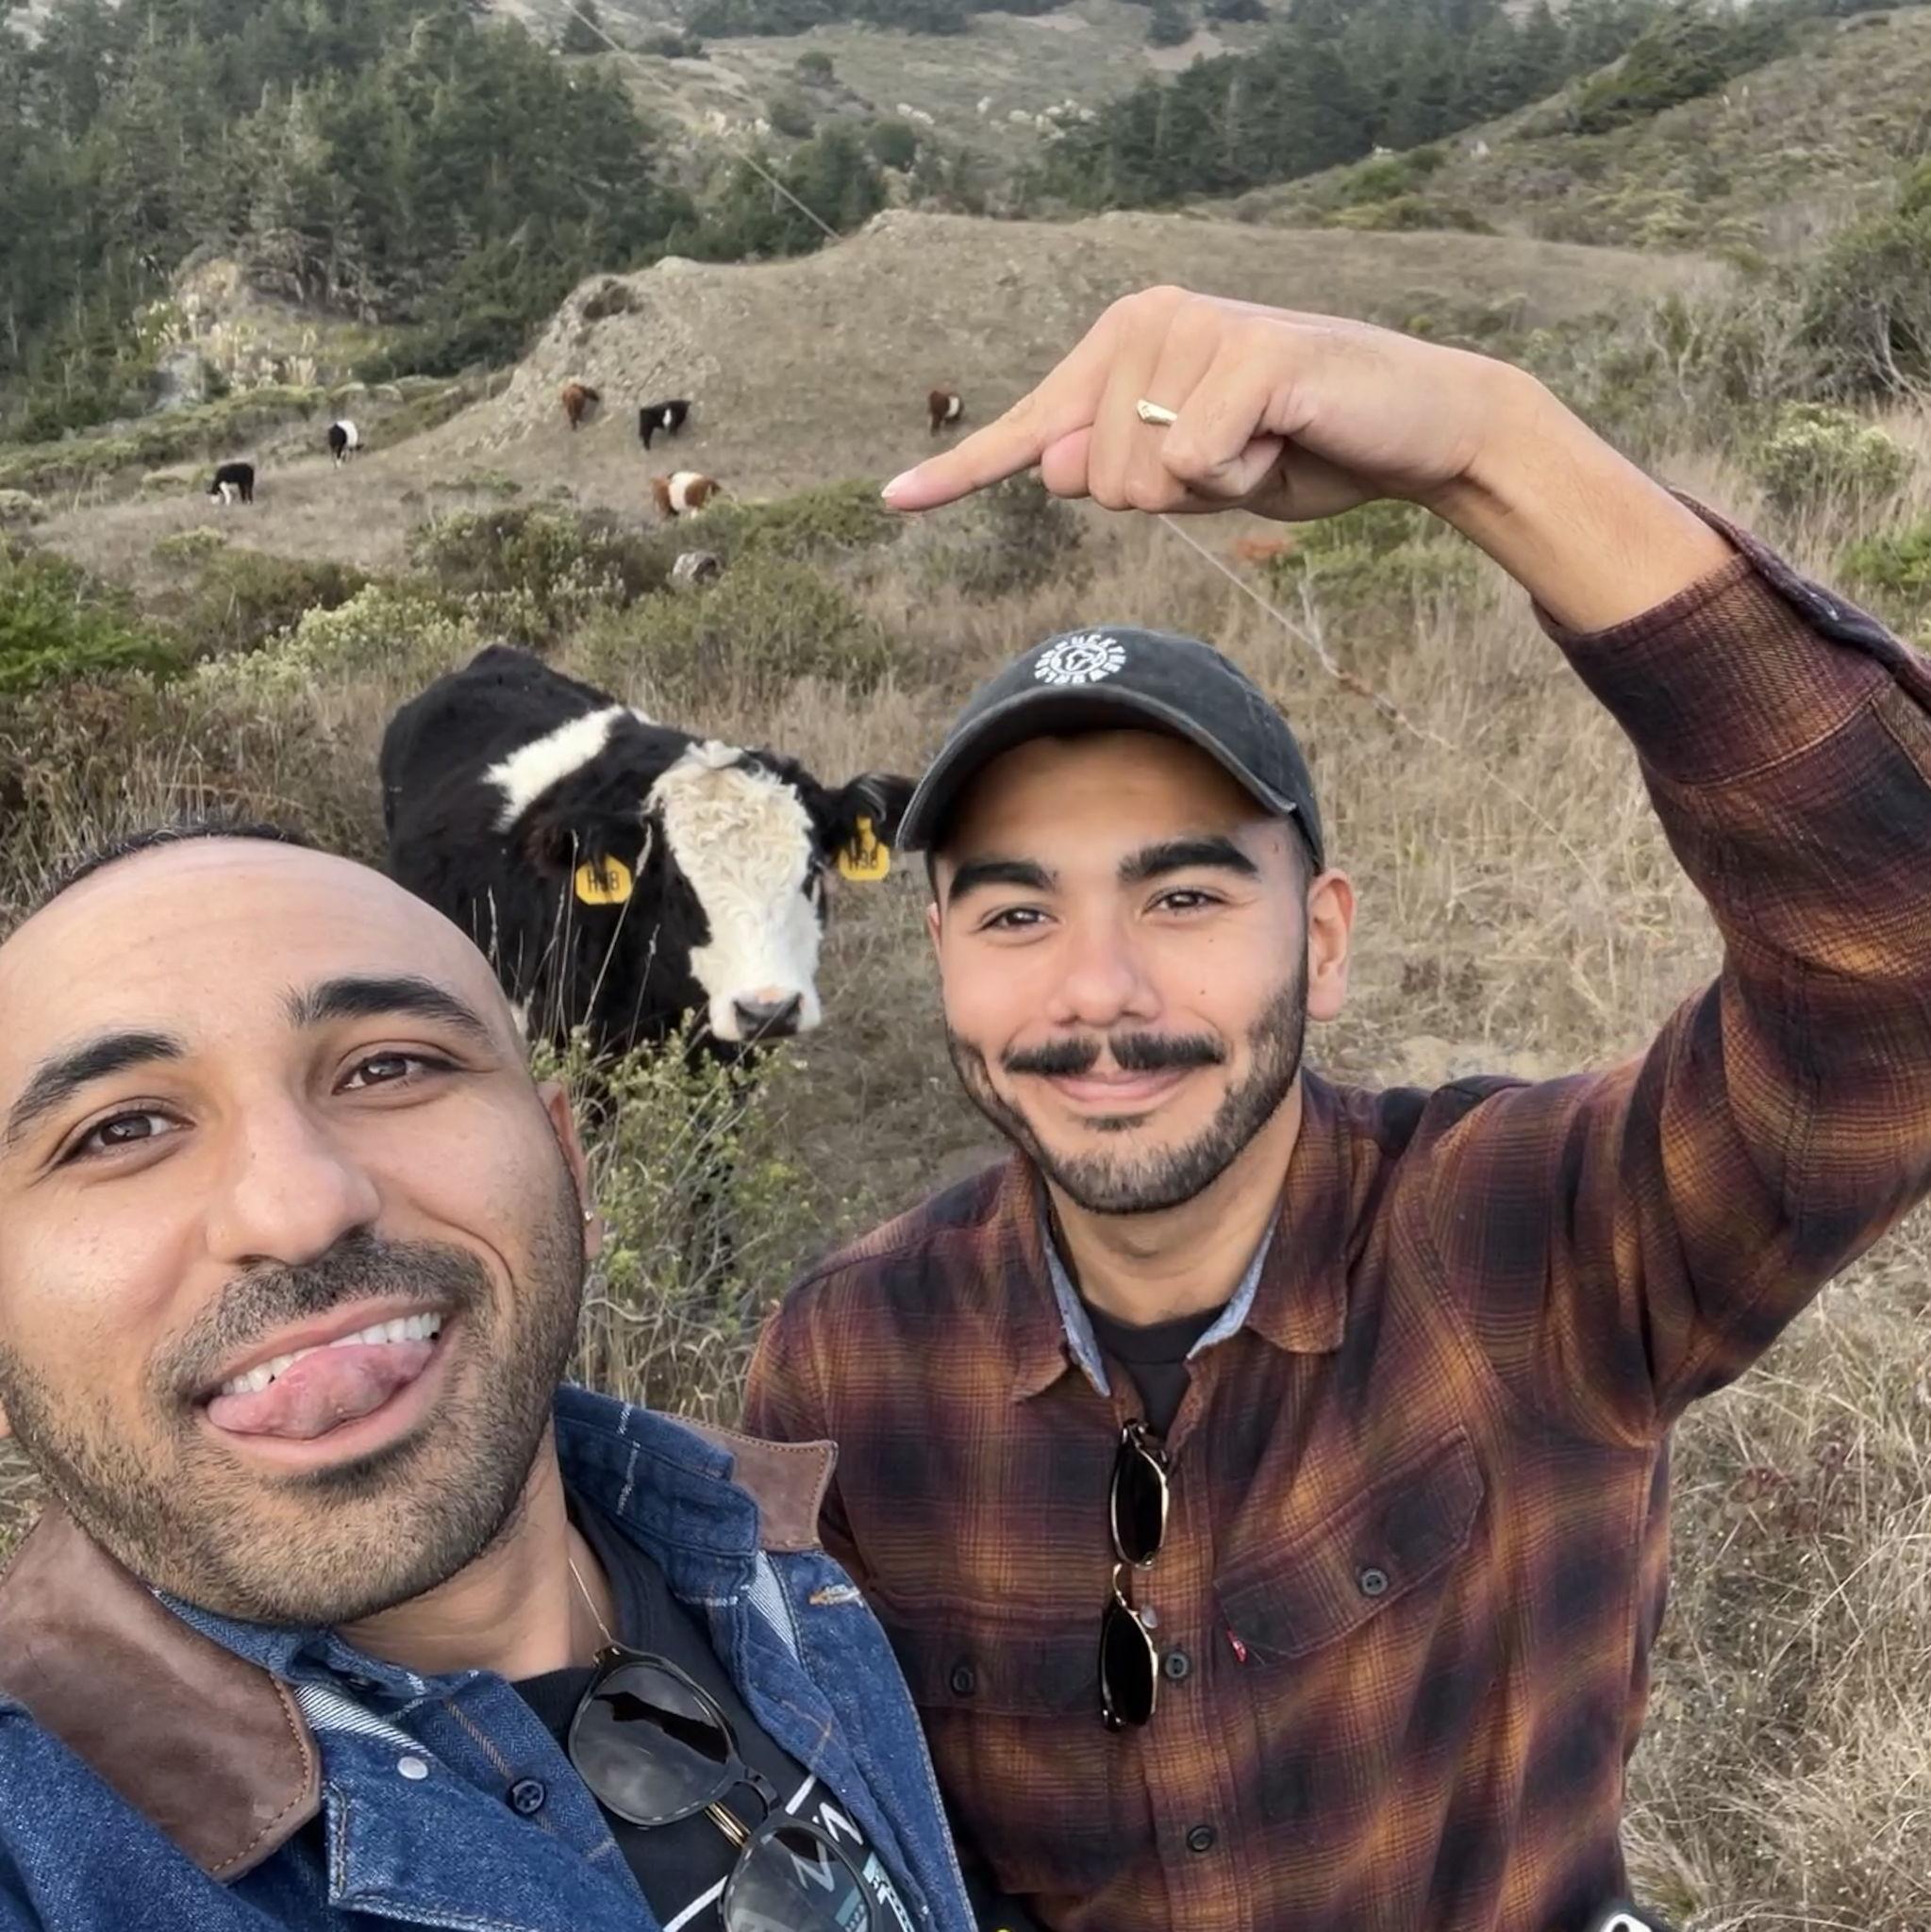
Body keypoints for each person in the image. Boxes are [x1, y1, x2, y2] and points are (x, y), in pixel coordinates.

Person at [742, 285, 1931, 1932]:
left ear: (1321, 938)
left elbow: (1894, 953)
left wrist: (1488, 444)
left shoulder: (1533, 1237)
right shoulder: (845, 1358)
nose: (1096, 990)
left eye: (1181, 897)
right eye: (1016, 913)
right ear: (940, 954)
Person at [0, 823, 977, 1932]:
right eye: (119, 1128)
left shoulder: (772, 1550)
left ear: (569, 1163)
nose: (299, 1206)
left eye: (388, 1066)